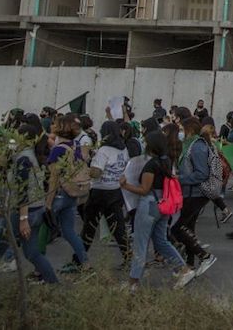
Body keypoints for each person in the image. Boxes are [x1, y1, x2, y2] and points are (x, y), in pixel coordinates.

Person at [119, 131, 196, 290]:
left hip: (149, 205)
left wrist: (125, 185)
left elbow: (144, 189)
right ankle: (183, 269)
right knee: (161, 241)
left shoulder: (151, 165)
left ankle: (133, 282)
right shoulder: (166, 160)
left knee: (140, 243)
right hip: (164, 204)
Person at [0, 123, 58, 283]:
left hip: (23, 212)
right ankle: (54, 283)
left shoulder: (23, 159)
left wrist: (23, 219)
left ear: (23, 138)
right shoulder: (32, 156)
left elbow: (22, 190)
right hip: (37, 209)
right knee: (32, 253)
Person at [44, 117, 92, 274]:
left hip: (60, 193)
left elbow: (53, 178)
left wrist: (48, 203)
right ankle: (85, 263)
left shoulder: (58, 149)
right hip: (72, 193)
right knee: (69, 232)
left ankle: (39, 268)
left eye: (54, 124)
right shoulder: (74, 145)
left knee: (40, 227)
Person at [80, 120, 130, 268]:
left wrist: (88, 165)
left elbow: (96, 173)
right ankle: (129, 257)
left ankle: (79, 259)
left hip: (100, 191)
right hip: (115, 190)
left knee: (89, 226)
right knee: (118, 227)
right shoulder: (123, 149)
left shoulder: (104, 151)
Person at [171, 117, 217, 274]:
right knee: (188, 228)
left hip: (195, 193)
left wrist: (180, 179)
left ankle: (204, 256)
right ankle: (189, 264)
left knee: (177, 228)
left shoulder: (197, 146)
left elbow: (202, 174)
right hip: (192, 192)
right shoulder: (191, 145)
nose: (181, 133)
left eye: (182, 130)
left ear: (189, 130)